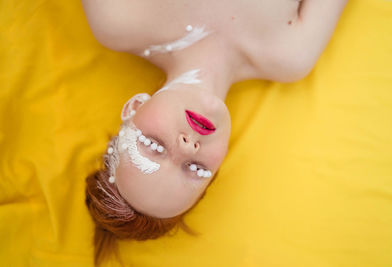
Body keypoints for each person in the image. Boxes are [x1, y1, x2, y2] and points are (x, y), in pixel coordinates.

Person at [81, 0, 348, 265]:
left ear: (134, 107)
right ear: (217, 167)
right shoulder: (291, 55)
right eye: (194, 168)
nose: (188, 147)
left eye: (155, 146)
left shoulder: (117, 21)